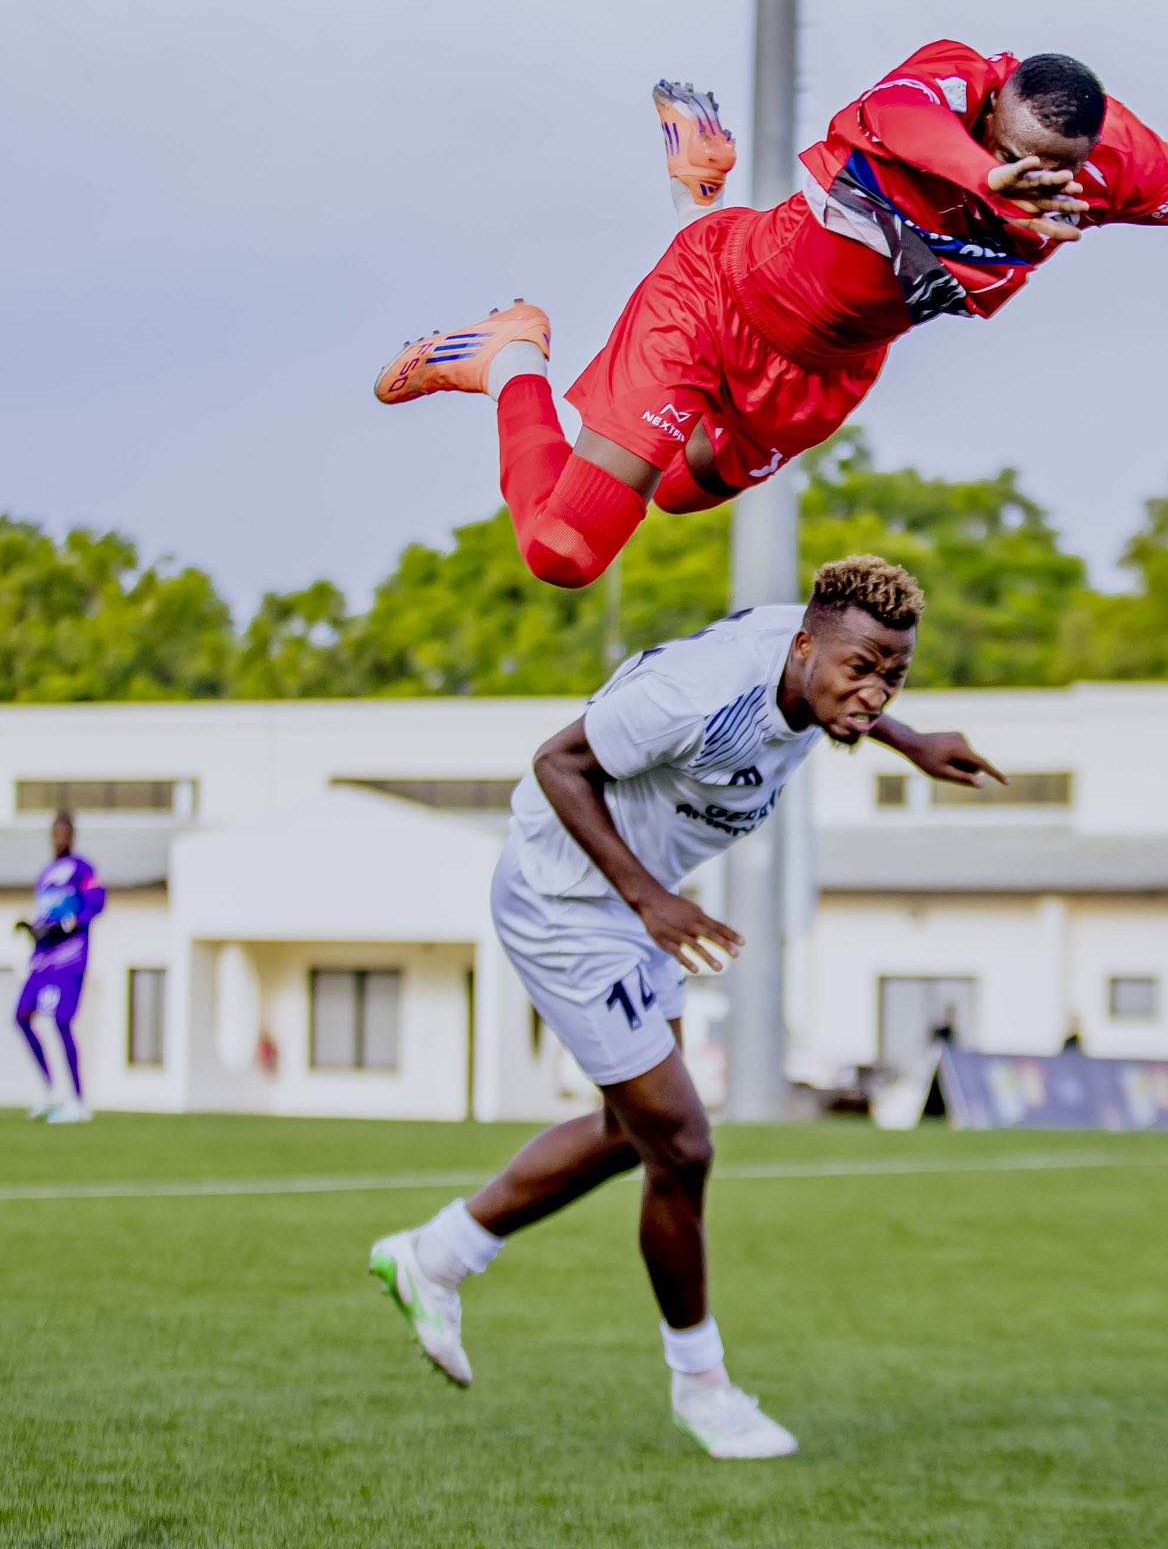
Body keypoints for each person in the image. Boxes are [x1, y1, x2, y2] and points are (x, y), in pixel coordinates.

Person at [373, 53, 1168, 589]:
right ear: (991, 106)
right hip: (713, 302)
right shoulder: (938, 87)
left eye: (1065, 168)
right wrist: (993, 188)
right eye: (1024, 157)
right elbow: (895, 123)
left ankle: (700, 172)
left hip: (824, 371)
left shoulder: (1118, 167)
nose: (1049, 179)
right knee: (564, 553)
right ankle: (512, 350)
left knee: (679, 491)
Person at [369, 555, 1004, 1459]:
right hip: (569, 904)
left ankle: (436, 1256)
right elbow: (557, 763)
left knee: (638, 1134)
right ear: (800, 648)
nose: (872, 691)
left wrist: (910, 741)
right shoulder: (693, 697)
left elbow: (852, 685)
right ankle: (702, 1388)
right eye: (860, 671)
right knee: (684, 1145)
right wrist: (647, 901)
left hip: (635, 903)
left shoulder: (821, 655)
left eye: (893, 676)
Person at [13, 811, 107, 1122]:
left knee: (62, 1020)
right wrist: (33, 929)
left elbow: (96, 902)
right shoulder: (46, 875)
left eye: (66, 831)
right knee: (22, 1015)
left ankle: (78, 1100)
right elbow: (47, 917)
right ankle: (50, 1087)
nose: (61, 837)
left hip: (70, 957)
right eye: (57, 831)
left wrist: (70, 924)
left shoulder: (82, 869)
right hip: (43, 961)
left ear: (73, 835)